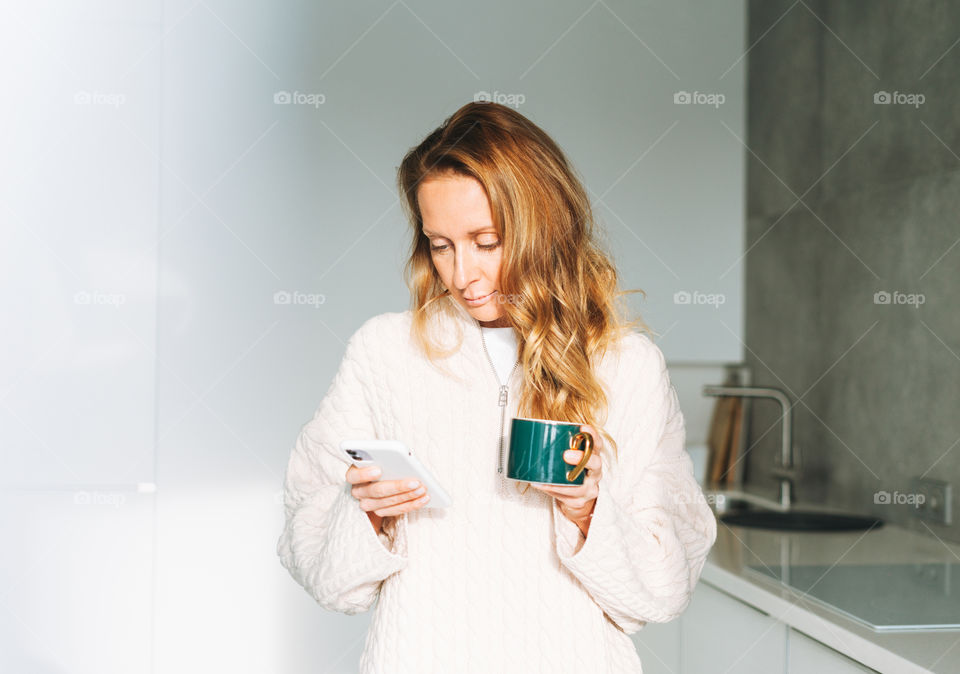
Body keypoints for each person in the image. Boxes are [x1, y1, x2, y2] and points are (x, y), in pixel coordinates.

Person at [276, 101, 718, 673]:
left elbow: (664, 591)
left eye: (486, 242)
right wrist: (368, 517)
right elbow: (310, 554)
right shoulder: (382, 353)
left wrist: (587, 511)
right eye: (441, 245)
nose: (463, 275)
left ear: (544, 229)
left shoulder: (625, 366)